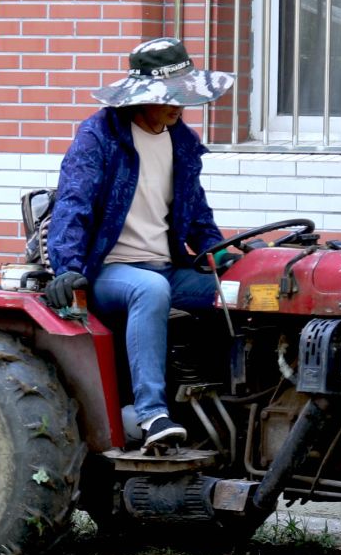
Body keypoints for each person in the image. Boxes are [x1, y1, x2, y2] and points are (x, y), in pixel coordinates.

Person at [44, 37, 235, 448]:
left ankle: (227, 407)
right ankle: (152, 416)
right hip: (107, 272)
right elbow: (73, 203)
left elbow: (196, 211)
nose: (177, 104)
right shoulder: (99, 136)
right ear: (140, 96)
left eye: (182, 95)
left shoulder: (180, 140)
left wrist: (221, 252)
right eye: (168, 95)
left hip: (168, 266)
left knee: (239, 293)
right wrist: (67, 267)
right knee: (151, 289)